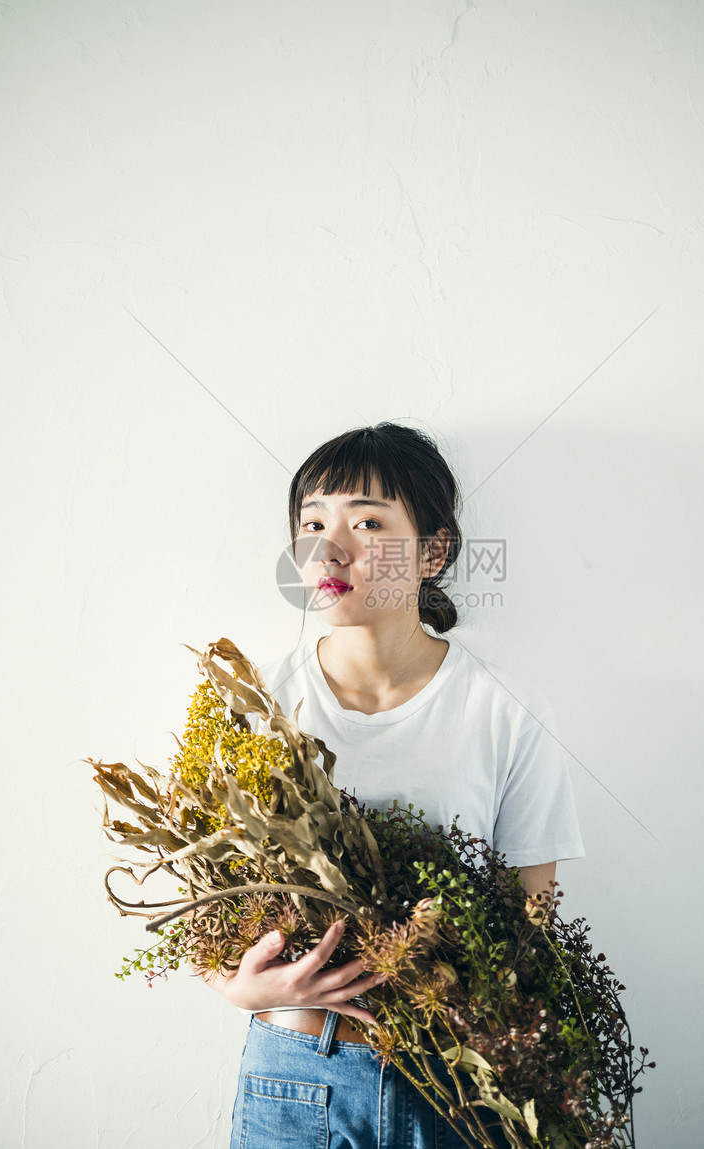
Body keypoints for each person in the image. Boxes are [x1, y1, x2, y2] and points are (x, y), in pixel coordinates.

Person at [200, 421, 585, 1149]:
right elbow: (209, 901)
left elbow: (532, 922)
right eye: (312, 523)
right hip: (295, 1074)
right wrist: (236, 987)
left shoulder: (509, 710)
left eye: (366, 522)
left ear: (433, 551)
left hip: (455, 1082)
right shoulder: (259, 702)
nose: (329, 547)